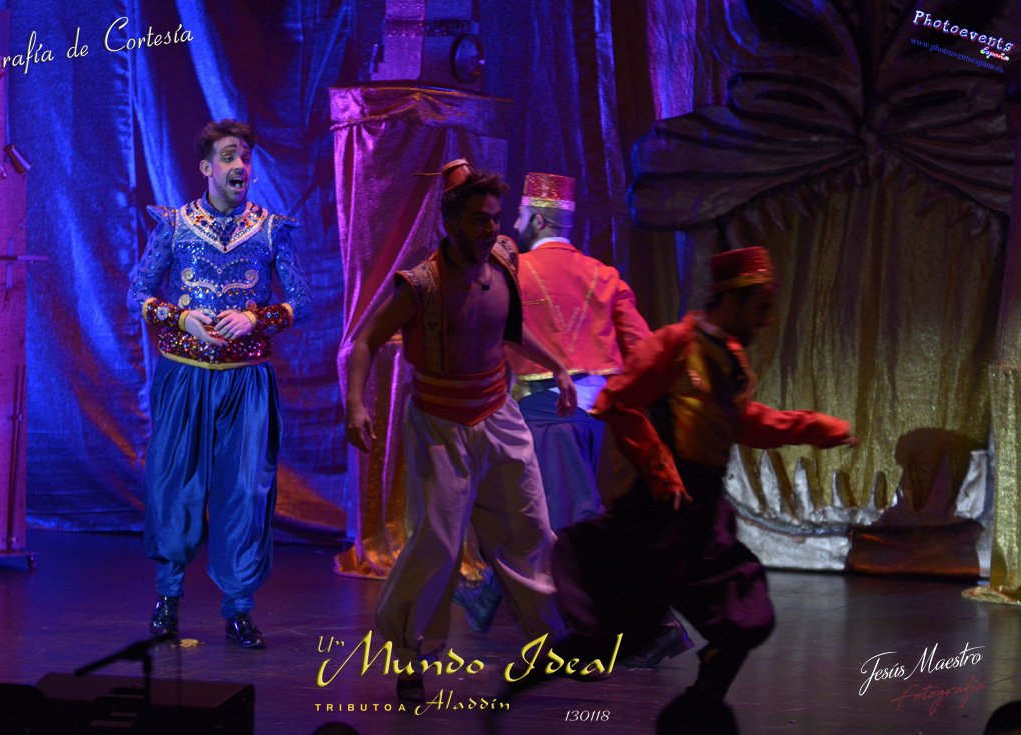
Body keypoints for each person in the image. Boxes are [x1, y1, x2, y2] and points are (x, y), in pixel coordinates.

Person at [550, 246, 856, 702]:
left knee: (747, 617)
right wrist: (659, 465)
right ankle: (509, 691)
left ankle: (699, 709)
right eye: (761, 308)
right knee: (614, 634)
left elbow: (740, 421)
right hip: (661, 516)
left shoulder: (727, 356)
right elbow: (615, 401)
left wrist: (811, 427)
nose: (766, 321)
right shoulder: (676, 345)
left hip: (703, 515)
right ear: (731, 299)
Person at [344, 160, 577, 701]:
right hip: (441, 425)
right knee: (438, 543)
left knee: (529, 528)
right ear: (450, 223)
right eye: (478, 219)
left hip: (498, 414)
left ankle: (552, 641)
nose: (490, 227)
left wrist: (558, 366)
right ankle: (410, 657)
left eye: (494, 217)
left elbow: (509, 331)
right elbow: (364, 342)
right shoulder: (421, 283)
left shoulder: (504, 261)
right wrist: (355, 404)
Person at [455, 172, 691, 668]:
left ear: (539, 220)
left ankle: (657, 627)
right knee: (525, 512)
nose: (515, 224)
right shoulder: (604, 276)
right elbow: (644, 351)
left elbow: (484, 335)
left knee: (573, 523)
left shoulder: (513, 272)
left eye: (521, 215)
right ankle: (486, 596)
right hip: (590, 416)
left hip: (543, 414)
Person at [127, 119, 312, 649]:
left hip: (246, 383)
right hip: (184, 378)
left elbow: (301, 301)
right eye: (230, 156)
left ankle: (238, 607)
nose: (240, 166)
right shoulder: (176, 226)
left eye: (246, 157)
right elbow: (137, 293)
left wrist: (256, 319)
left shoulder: (270, 230)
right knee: (174, 486)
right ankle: (168, 597)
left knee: (244, 492)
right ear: (206, 167)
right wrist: (180, 318)